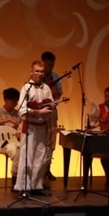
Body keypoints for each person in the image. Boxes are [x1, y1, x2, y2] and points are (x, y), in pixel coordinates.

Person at [15, 60, 56, 194]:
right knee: (27, 157)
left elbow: (50, 104)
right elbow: (21, 110)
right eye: (37, 71)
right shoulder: (26, 88)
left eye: (41, 72)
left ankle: (36, 185)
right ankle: (24, 187)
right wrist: (38, 112)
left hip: (42, 127)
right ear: (31, 72)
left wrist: (50, 107)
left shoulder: (47, 88)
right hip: (30, 127)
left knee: (41, 156)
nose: (39, 74)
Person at [0, 87, 23, 187]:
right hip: (4, 142)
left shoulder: (18, 114)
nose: (15, 104)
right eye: (13, 101)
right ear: (6, 100)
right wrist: (7, 120)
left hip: (16, 140)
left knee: (26, 150)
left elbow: (21, 130)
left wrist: (19, 132)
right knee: (17, 152)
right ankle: (15, 179)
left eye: (16, 101)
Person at [41, 51, 64, 180]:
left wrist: (54, 90)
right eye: (48, 64)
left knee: (52, 140)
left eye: (52, 64)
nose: (50, 66)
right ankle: (39, 169)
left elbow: (58, 96)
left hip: (52, 110)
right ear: (43, 63)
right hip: (40, 112)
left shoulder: (56, 77)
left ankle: (47, 168)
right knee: (41, 139)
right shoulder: (38, 76)